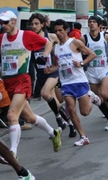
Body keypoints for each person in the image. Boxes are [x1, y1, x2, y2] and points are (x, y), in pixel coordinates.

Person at [0, 11, 62, 157]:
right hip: (8, 82)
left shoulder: (25, 35)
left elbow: (47, 42)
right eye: (1, 23)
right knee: (29, 118)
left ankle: (12, 152)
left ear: (14, 21)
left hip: (22, 80)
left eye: (6, 22)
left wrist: (44, 56)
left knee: (12, 116)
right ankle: (54, 133)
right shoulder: (1, 38)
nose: (3, 25)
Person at [50, 19, 102, 146]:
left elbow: (92, 54)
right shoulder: (55, 48)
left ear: (66, 30)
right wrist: (49, 69)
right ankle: (83, 136)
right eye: (56, 31)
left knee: (84, 112)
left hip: (79, 81)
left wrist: (81, 63)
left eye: (60, 30)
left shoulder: (74, 43)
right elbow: (56, 65)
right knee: (71, 110)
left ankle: (91, 96)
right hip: (66, 83)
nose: (58, 33)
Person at [28, 13, 76, 138]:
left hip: (53, 72)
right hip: (41, 74)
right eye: (32, 24)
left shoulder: (51, 36)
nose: (34, 26)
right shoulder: (29, 40)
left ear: (43, 24)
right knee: (55, 102)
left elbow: (63, 47)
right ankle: (70, 124)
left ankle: (59, 118)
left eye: (37, 23)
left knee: (44, 93)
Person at [80, 16, 108, 131]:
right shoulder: (84, 38)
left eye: (94, 22)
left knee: (104, 94)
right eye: (90, 22)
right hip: (92, 70)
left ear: (98, 25)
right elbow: (79, 51)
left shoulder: (105, 36)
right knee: (99, 99)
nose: (92, 24)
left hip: (104, 68)